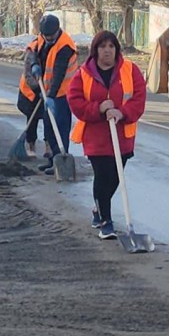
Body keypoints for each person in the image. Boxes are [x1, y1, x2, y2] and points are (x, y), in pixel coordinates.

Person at [67, 30, 147, 240]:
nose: (107, 51)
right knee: (102, 177)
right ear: (96, 50)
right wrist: (99, 108)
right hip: (96, 137)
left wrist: (122, 112)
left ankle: (98, 209)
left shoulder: (130, 70)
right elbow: (75, 101)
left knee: (114, 178)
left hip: (122, 137)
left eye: (111, 46)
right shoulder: (83, 74)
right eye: (103, 47)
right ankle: (106, 221)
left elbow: (138, 99)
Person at [31, 14, 77, 175]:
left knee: (60, 127)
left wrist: (51, 96)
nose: (49, 38)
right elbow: (35, 52)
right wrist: (35, 64)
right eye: (46, 36)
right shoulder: (43, 38)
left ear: (57, 31)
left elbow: (58, 75)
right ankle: (52, 160)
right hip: (49, 93)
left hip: (63, 94)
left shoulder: (65, 46)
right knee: (49, 128)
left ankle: (60, 159)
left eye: (51, 35)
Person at [16, 34, 48, 159]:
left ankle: (48, 145)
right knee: (32, 117)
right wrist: (38, 89)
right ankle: (31, 146)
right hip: (30, 90)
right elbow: (28, 75)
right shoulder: (33, 49)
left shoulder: (56, 47)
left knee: (49, 117)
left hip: (47, 88)